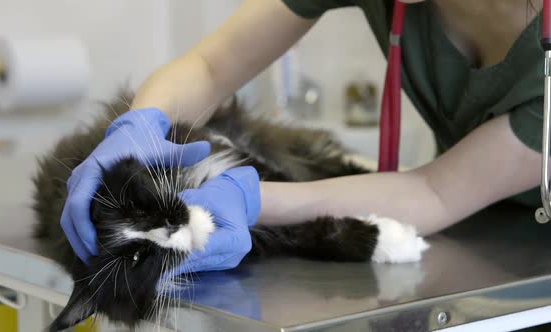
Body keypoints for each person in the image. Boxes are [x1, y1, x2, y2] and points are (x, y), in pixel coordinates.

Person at [61, 0, 544, 273]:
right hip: (483, 237)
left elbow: (435, 192)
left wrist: (242, 198)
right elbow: (212, 67)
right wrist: (139, 126)